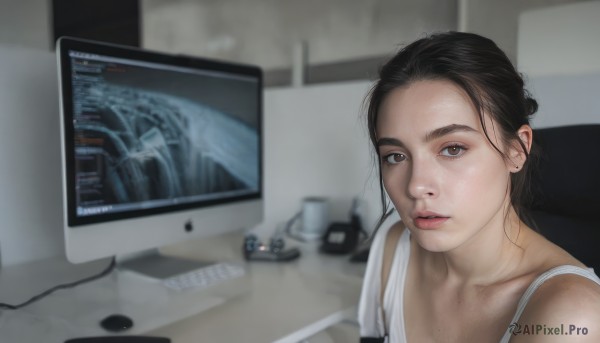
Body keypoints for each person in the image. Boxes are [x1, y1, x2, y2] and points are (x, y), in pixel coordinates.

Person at [358, 31, 600, 343]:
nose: (416, 186)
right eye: (395, 155)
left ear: (516, 150)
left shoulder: (571, 316)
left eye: (453, 149)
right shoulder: (394, 248)